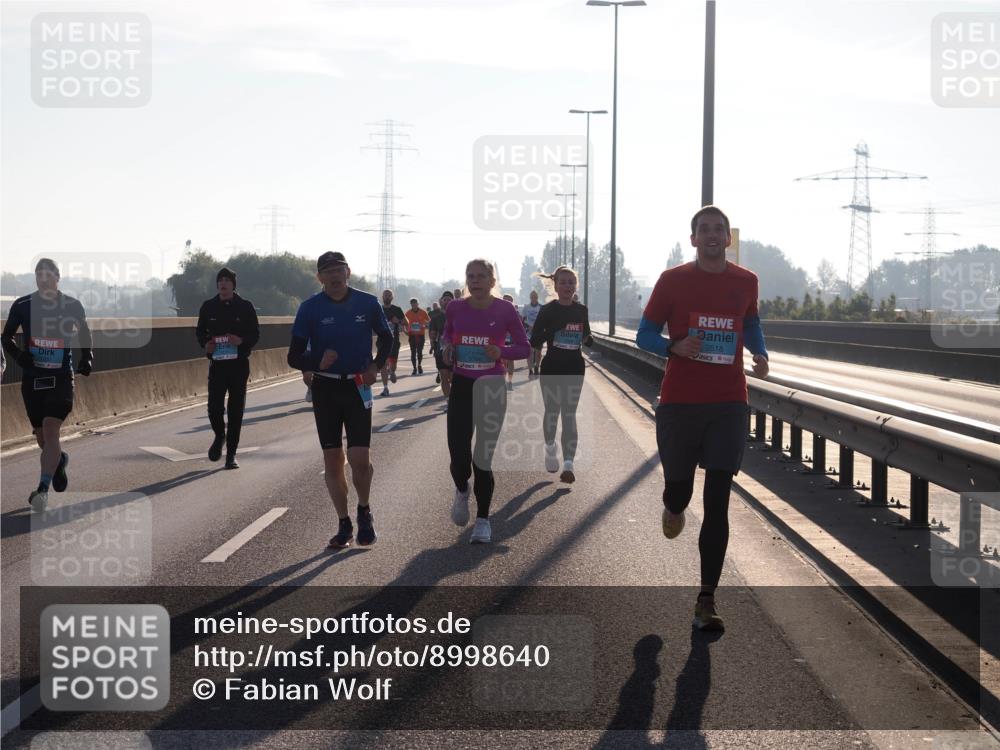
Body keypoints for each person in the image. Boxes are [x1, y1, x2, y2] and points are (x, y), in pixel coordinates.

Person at [636, 206, 769, 632]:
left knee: (718, 501)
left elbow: (751, 324)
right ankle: (672, 506)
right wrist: (674, 346)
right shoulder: (672, 280)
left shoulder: (746, 281)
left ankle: (706, 599)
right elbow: (644, 335)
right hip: (679, 404)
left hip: (729, 403)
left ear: (728, 238)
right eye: (704, 229)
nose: (712, 235)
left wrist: (760, 352)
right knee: (679, 491)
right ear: (693, 239)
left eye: (719, 229)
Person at [287, 251, 392, 549]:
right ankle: (344, 523)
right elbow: (293, 356)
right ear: (319, 277)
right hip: (326, 390)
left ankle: (364, 510)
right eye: (328, 272)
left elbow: (387, 337)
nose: (334, 276)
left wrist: (375, 365)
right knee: (333, 460)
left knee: (360, 460)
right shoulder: (309, 308)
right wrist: (317, 360)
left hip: (358, 387)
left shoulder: (367, 302)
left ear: (348, 272)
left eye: (339, 270)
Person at [441, 261, 530, 543]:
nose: (476, 281)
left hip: (491, 386)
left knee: (483, 457)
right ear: (466, 280)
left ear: (493, 281)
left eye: (482, 276)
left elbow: (524, 348)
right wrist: (446, 349)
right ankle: (461, 489)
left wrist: (500, 351)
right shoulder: (455, 307)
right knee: (458, 454)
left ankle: (482, 520)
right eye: (471, 276)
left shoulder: (505, 310)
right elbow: (447, 336)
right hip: (462, 386)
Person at [2, 258, 93, 513]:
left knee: (52, 429)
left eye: (47, 275)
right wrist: (19, 356)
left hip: (61, 377)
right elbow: (5, 337)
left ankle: (42, 489)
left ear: (57, 277)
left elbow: (84, 331)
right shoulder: (23, 305)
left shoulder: (72, 305)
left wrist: (87, 356)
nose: (42, 280)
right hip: (33, 379)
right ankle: (60, 460)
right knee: (43, 438)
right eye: (38, 275)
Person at [529, 266, 593, 484]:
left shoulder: (581, 310)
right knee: (553, 411)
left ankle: (568, 464)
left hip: (575, 366)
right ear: (555, 286)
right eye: (563, 282)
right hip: (552, 367)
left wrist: (587, 339)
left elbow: (586, 335)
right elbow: (534, 341)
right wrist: (554, 329)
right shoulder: (548, 311)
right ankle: (549, 447)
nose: (568, 286)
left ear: (576, 285)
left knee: (569, 414)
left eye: (571, 282)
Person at [196, 268, 260, 469]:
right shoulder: (208, 307)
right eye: (220, 280)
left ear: (233, 284)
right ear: (217, 284)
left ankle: (231, 455)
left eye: (227, 280)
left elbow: (255, 334)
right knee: (214, 407)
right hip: (217, 365)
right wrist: (206, 343)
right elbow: (200, 332)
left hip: (239, 365)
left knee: (235, 411)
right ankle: (219, 435)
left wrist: (241, 340)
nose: (223, 284)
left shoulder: (245, 306)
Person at [379, 289, 406, 396]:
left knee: (392, 364)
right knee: (383, 364)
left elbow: (406, 322)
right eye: (385, 295)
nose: (387, 297)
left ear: (392, 297)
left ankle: (392, 370)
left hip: (394, 341)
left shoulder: (397, 309)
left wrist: (398, 321)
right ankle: (385, 388)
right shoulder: (378, 309)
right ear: (382, 297)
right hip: (381, 341)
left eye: (389, 295)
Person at [428, 290, 454, 393]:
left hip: (456, 350)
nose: (447, 301)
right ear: (441, 302)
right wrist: (433, 342)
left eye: (449, 300)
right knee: (444, 377)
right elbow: (432, 335)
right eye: (445, 300)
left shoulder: (459, 316)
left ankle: (454, 400)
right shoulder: (436, 318)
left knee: (453, 378)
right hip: (441, 350)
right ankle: (448, 402)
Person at [404, 298, 430, 375]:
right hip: (412, 335)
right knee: (413, 353)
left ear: (418, 304)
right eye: (412, 304)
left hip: (420, 335)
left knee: (419, 352)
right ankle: (414, 368)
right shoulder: (407, 313)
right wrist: (405, 331)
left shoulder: (423, 312)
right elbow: (403, 323)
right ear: (411, 305)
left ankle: (419, 365)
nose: (414, 305)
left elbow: (429, 322)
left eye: (415, 303)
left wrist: (424, 325)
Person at [522, 289, 543, 377]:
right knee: (529, 352)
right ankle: (530, 369)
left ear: (537, 297)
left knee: (538, 353)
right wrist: (528, 327)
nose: (533, 298)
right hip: (529, 333)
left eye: (535, 297)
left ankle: (537, 367)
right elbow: (522, 320)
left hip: (538, 333)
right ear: (530, 298)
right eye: (532, 297)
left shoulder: (541, 307)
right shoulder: (526, 307)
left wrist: (539, 328)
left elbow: (544, 320)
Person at [500, 293, 518, 391]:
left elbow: (519, 329)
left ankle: (510, 381)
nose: (506, 302)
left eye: (508, 301)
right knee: (502, 362)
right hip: (501, 341)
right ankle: (503, 381)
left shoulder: (515, 313)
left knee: (510, 361)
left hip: (511, 340)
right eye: (504, 300)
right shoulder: (496, 312)